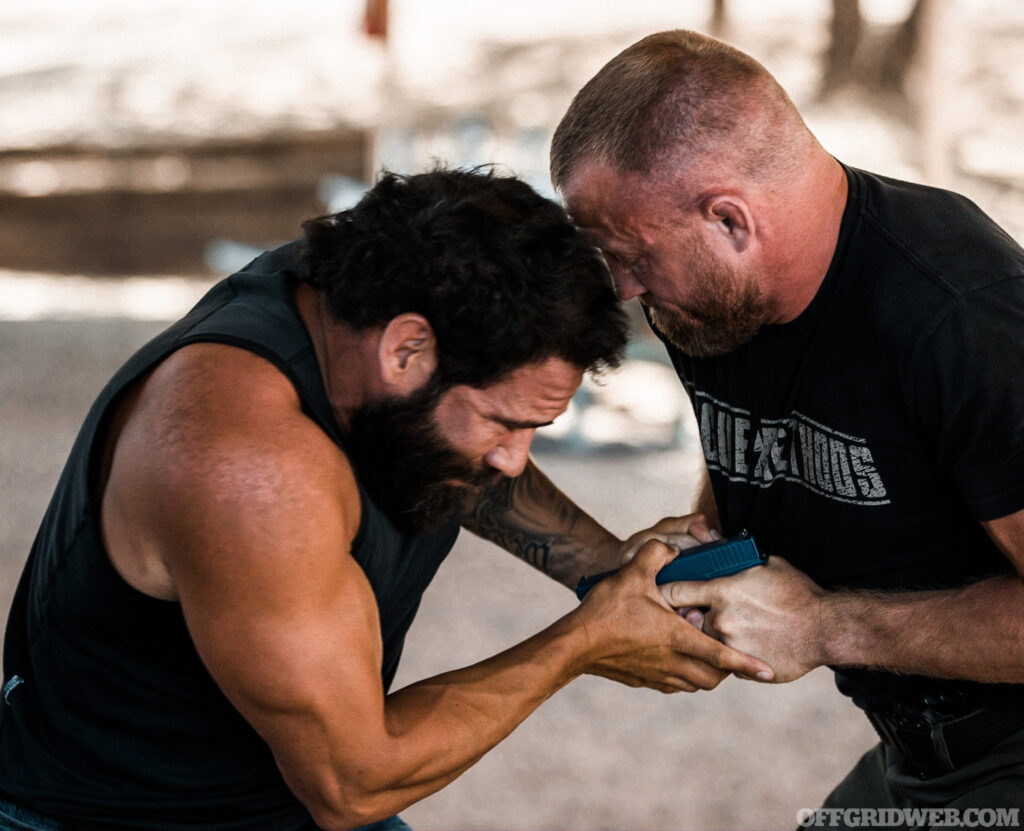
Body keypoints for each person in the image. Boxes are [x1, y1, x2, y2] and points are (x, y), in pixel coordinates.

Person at [0, 167, 772, 831]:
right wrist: (585, 640)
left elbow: (444, 450)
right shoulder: (247, 468)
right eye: (506, 421)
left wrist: (606, 568)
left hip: (271, 798)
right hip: (113, 814)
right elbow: (353, 781)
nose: (513, 459)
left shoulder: (359, 305)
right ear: (408, 349)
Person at [550, 29, 1024, 822]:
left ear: (730, 222)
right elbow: (763, 442)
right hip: (919, 750)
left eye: (630, 258)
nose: (623, 290)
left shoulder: (957, 313)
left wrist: (824, 625)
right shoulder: (706, 300)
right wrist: (709, 544)